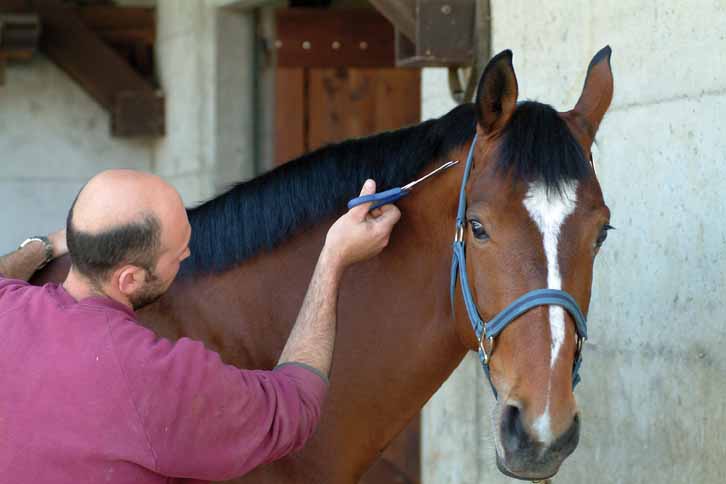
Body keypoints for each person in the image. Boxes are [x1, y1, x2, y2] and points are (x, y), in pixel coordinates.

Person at [0, 169, 401, 484]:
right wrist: (333, 258)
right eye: (178, 254)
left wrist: (45, 246)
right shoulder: (147, 375)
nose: (190, 253)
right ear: (130, 280)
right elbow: (291, 409)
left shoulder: (9, 308)